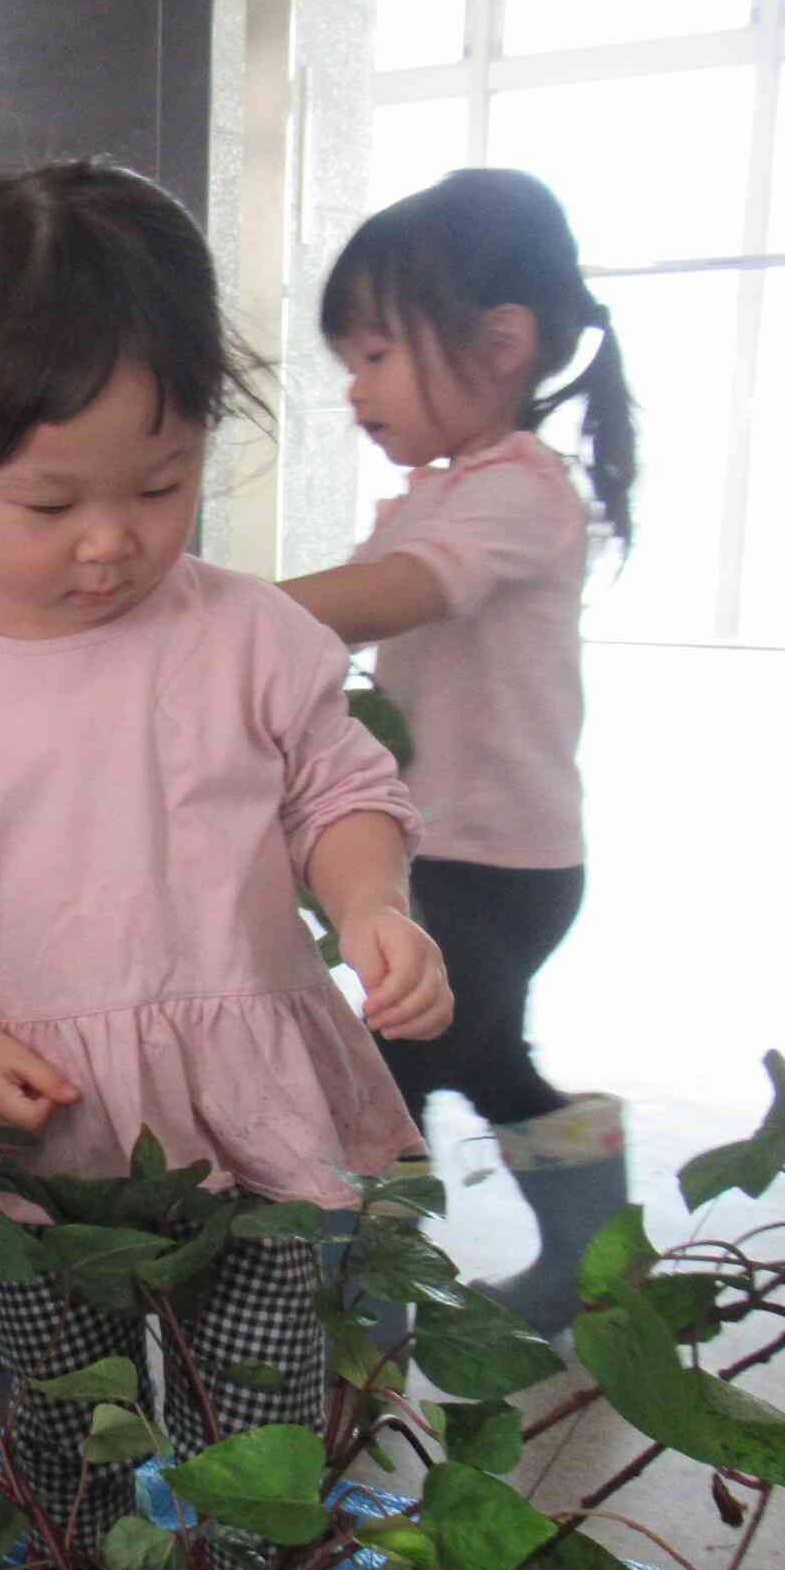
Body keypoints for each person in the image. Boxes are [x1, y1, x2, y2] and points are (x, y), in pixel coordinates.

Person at [0, 158, 452, 1570]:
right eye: (48, 506)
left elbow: (340, 791)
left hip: (248, 1111)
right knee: (60, 1424)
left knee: (261, 1418)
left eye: (160, 487)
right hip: (42, 1122)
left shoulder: (250, 636)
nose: (110, 543)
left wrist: (372, 906)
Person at [278, 167, 639, 1340]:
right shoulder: (441, 492)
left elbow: (392, 596)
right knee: (482, 1067)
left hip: (495, 865)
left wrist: (213, 616)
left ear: (499, 344)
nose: (357, 387)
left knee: (379, 1087)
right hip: (455, 854)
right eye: (350, 360)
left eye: (377, 354)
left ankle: (357, 1332)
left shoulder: (520, 493)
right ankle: (593, 1255)